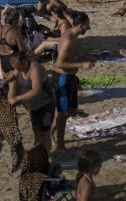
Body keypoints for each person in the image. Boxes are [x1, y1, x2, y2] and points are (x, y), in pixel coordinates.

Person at [51, 12, 94, 153]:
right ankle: (60, 146)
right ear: (80, 26)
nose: (88, 29)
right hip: (62, 78)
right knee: (63, 113)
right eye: (87, 27)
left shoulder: (73, 35)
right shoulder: (68, 39)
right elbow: (60, 63)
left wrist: (87, 58)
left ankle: (51, 130)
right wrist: (82, 65)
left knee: (72, 109)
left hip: (70, 78)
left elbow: (74, 55)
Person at [6, 51, 55, 152]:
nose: (18, 70)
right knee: (36, 130)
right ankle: (38, 153)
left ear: (25, 61)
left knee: (45, 133)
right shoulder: (20, 68)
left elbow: (36, 90)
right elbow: (13, 75)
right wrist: (3, 83)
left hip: (45, 105)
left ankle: (45, 158)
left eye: (19, 68)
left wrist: (17, 98)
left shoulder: (35, 69)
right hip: (33, 106)